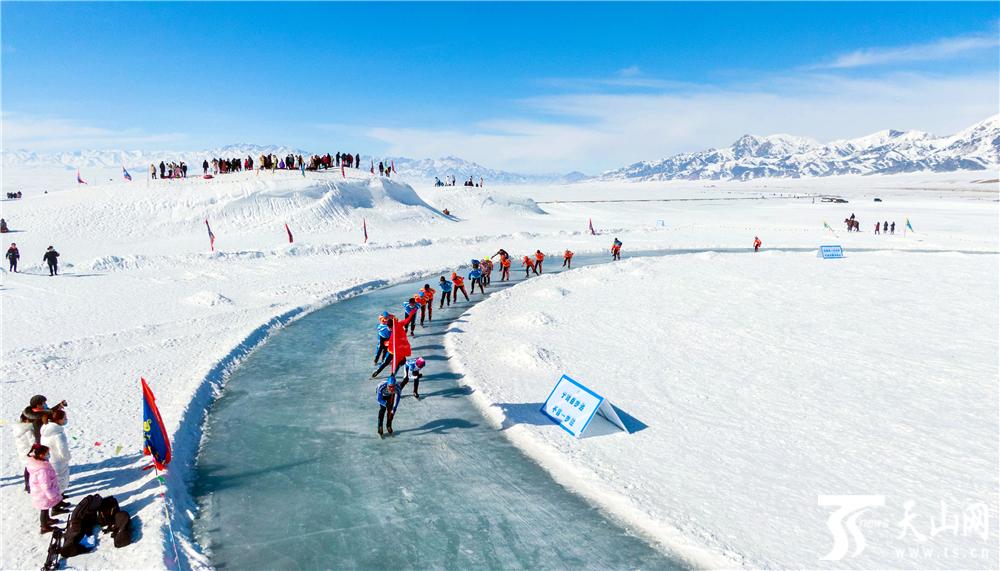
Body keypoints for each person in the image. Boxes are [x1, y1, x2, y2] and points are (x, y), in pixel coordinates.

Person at [26, 444, 66, 534]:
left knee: (45, 508)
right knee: (44, 509)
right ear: (41, 455)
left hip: (39, 492)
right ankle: (44, 527)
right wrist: (52, 495)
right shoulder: (42, 470)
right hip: (43, 493)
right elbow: (45, 485)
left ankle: (47, 520)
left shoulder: (37, 464)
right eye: (47, 453)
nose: (48, 455)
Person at [371, 309, 416, 378]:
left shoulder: (397, 326)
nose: (389, 329)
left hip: (398, 350)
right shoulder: (398, 324)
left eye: (389, 328)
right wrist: (411, 314)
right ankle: (378, 371)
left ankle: (392, 374)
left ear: (391, 326)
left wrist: (411, 314)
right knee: (386, 362)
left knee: (400, 362)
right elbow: (406, 320)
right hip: (393, 350)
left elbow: (407, 320)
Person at [40, 410, 71, 509]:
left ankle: (59, 499)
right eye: (64, 418)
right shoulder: (58, 434)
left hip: (50, 460)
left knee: (54, 482)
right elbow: (63, 450)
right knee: (60, 482)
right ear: (58, 420)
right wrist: (66, 458)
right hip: (58, 462)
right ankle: (56, 506)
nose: (66, 420)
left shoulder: (45, 430)